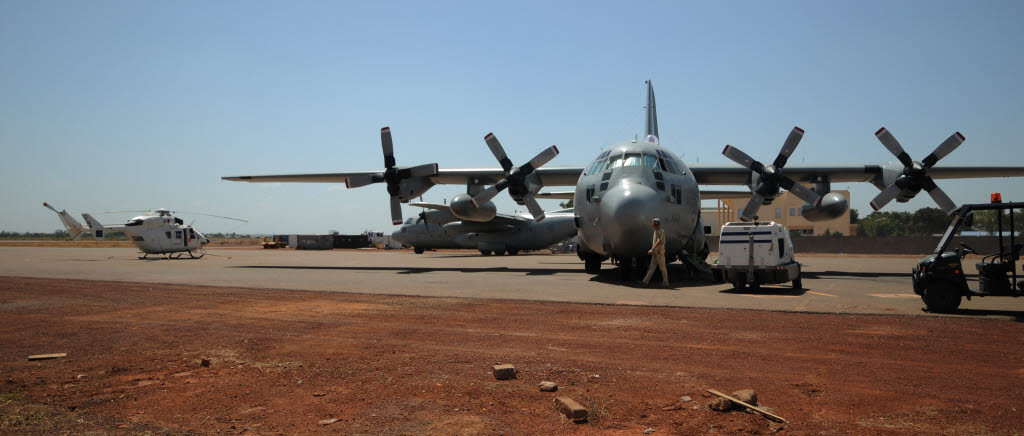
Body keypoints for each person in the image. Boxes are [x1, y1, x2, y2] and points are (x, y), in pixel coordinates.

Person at [642, 218, 669, 287]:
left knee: (662, 268)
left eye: (653, 222)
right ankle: (645, 282)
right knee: (652, 267)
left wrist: (652, 249)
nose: (652, 223)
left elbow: (659, 241)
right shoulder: (656, 231)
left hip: (659, 252)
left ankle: (665, 283)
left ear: (656, 224)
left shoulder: (660, 231)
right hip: (655, 252)